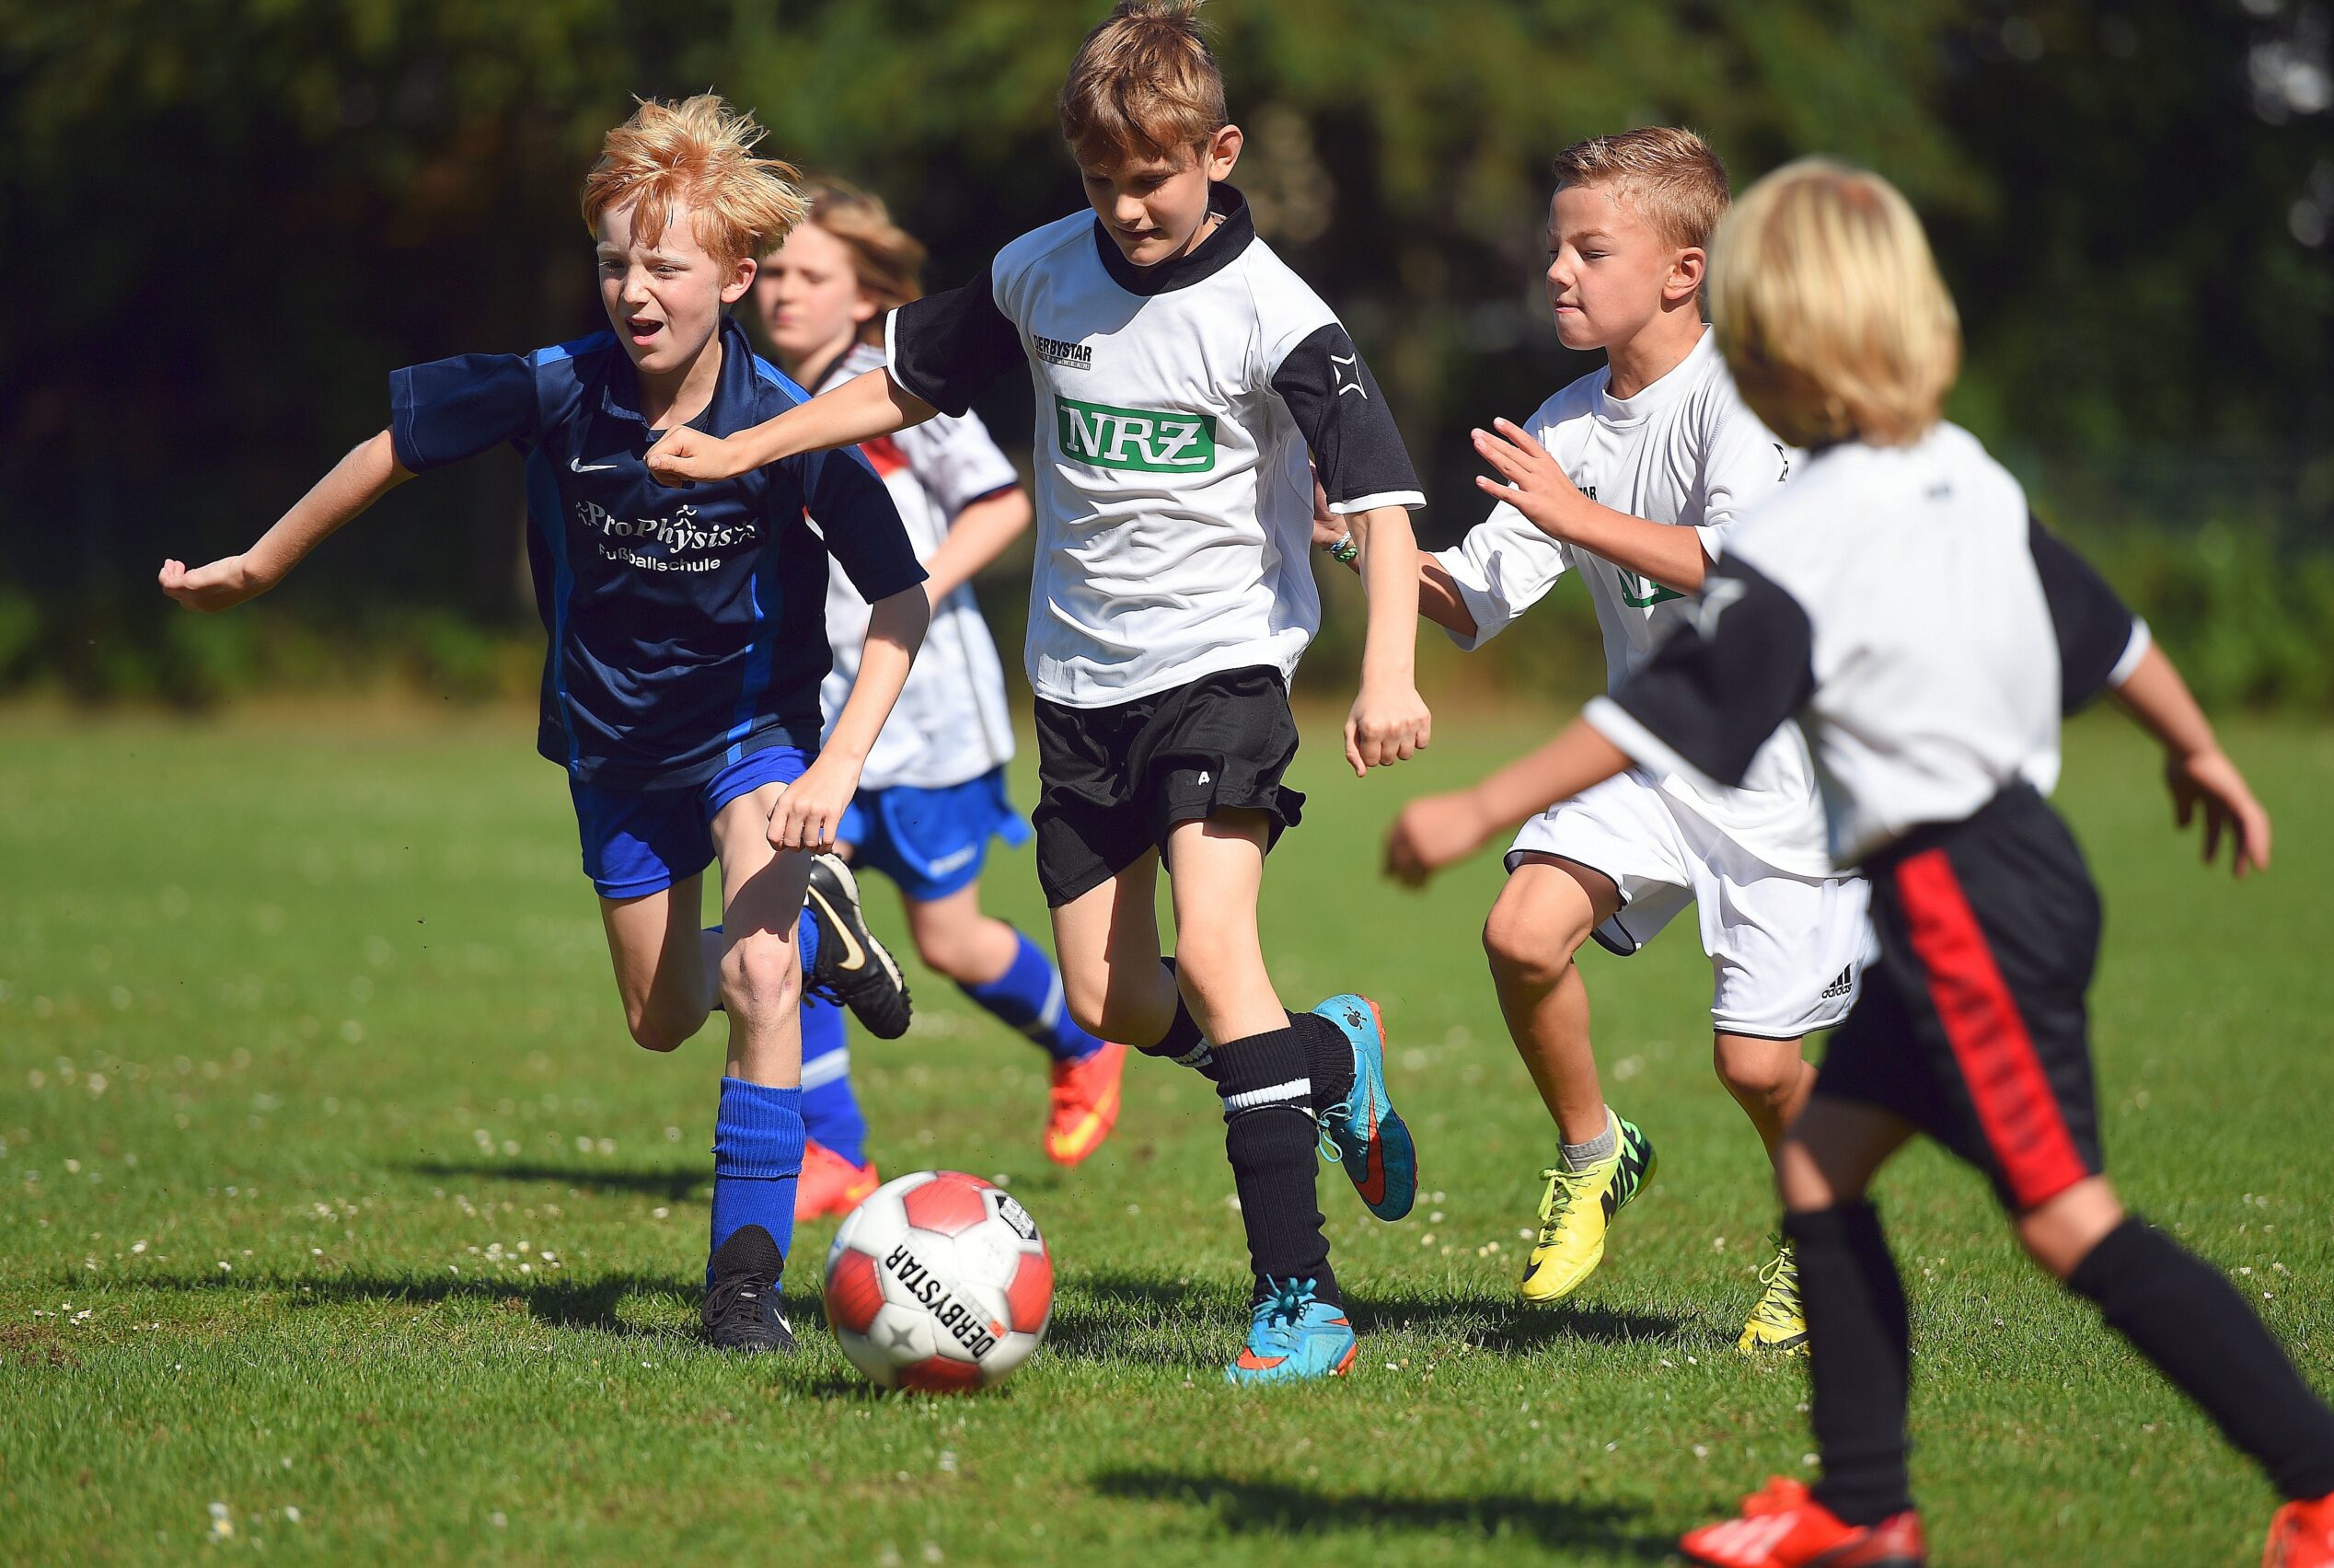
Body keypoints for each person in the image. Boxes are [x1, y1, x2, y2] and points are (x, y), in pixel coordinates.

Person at [1384, 156, 2334, 1568]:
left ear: (1764, 335)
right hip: (1986, 885)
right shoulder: (1951, 468)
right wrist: (2197, 750)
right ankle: (1861, 1508)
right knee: (1823, 1167)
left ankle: (2328, 1482)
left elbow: (1683, 707)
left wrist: (1480, 811)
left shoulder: (1811, 526)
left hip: (1971, 907)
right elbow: (2106, 626)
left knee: (2068, 1222)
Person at [646, 0, 1432, 1382]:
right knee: (1118, 999)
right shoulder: (1036, 274)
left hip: (1224, 670)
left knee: (1223, 952)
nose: (1127, 207)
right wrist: (745, 448)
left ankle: (1301, 1302)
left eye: (1154, 178)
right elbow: (899, 383)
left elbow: (1377, 499)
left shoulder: (1278, 314)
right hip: (1076, 687)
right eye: (1102, 181)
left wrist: (1386, 673)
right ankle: (1326, 1059)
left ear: (1219, 153)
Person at [159, 96, 934, 1355]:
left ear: (737, 278)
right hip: (612, 746)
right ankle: (812, 917)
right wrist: (261, 559)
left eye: (665, 266)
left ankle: (744, 1291)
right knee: (660, 1017)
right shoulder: (559, 388)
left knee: (757, 974)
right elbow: (393, 448)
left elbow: (901, 597)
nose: (636, 289)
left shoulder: (782, 421)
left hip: (754, 732)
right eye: (616, 261)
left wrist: (839, 766)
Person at [1357, 128, 1868, 1352]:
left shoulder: (1745, 401)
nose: (1560, 274)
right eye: (1555, 251)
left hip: (1787, 783)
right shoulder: (1567, 424)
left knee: (1754, 1071)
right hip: (1650, 761)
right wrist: (1364, 540)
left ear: (1684, 271)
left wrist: (1580, 514)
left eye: (1592, 250)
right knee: (1521, 930)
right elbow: (1476, 602)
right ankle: (1596, 1155)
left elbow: (1738, 569)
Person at [744, 182, 1126, 1213]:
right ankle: (835, 1149)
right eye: (772, 272)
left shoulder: (886, 392)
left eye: (809, 275)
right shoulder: (753, 392)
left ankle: (1083, 1042)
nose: (784, 293)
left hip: (924, 716)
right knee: (797, 908)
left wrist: (903, 595)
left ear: (865, 298)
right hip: (808, 708)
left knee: (947, 940)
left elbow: (1002, 504)